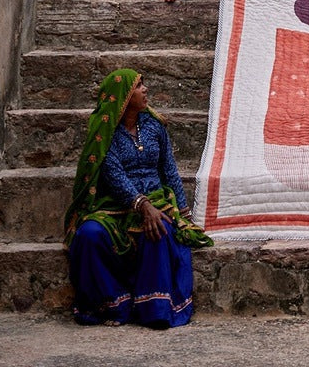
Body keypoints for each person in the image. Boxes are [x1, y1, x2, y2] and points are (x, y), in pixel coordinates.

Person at [64, 68, 212, 327]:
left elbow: (169, 170)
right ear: (122, 97)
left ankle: (154, 309)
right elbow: (113, 175)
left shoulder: (155, 126)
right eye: (138, 86)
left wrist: (184, 214)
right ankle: (113, 305)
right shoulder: (104, 131)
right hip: (115, 205)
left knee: (158, 229)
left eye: (144, 84)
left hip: (156, 199)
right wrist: (141, 205)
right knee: (88, 235)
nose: (145, 90)